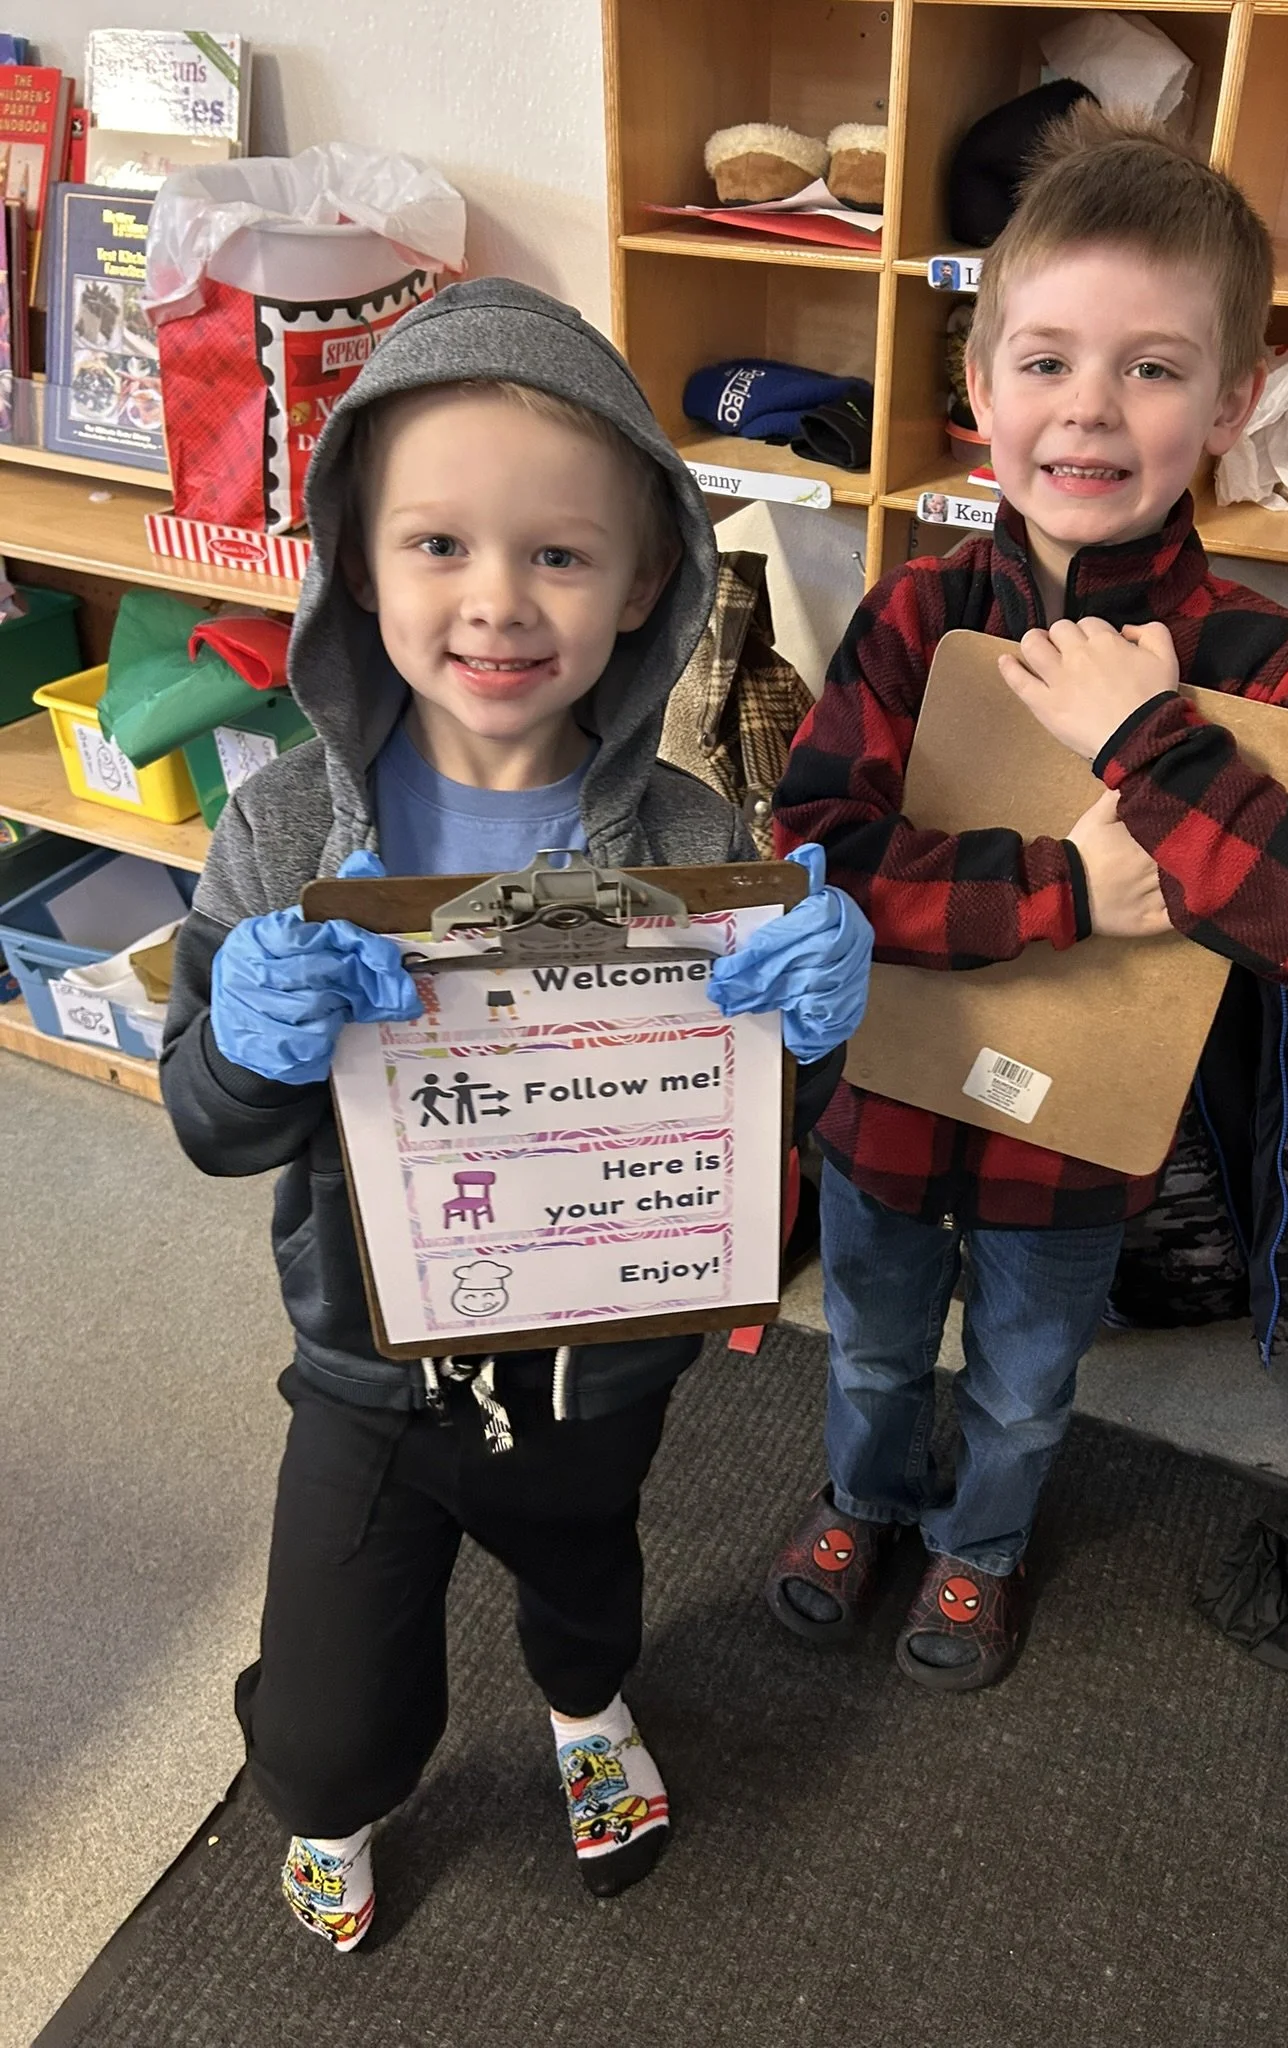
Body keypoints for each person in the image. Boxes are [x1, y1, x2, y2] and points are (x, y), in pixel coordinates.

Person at [160, 278, 873, 1949]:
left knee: (586, 1580)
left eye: (558, 553)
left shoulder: (689, 825)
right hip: (362, 1362)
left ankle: (584, 1708)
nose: (498, 602)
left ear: (645, 585)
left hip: (606, 1346)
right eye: (439, 546)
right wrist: (252, 1045)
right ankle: (334, 1791)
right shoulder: (281, 836)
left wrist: (819, 1035)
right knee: (328, 1737)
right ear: (356, 562)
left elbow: (748, 1112)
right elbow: (212, 1128)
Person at [764, 106, 1288, 1693]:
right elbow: (820, 856)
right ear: (977, 386)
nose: (1092, 410)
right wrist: (1064, 887)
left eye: (1154, 367)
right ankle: (866, 1498)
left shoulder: (1254, 662)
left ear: (1232, 400)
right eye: (1046, 360)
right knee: (866, 1338)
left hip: (1082, 1129)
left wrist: (1148, 740)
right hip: (887, 1108)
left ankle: (981, 1545)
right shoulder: (919, 615)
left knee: (1031, 1373)